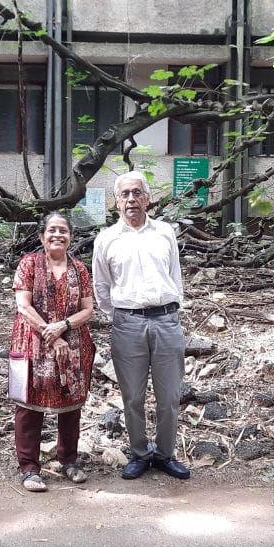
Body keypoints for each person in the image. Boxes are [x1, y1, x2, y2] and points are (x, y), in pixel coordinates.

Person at [92, 171, 190, 480]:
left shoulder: (164, 232)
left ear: (147, 198)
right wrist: (122, 316)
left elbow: (175, 275)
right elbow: (101, 287)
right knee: (132, 396)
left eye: (137, 193)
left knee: (170, 396)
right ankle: (139, 452)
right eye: (125, 194)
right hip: (128, 325)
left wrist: (173, 308)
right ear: (116, 201)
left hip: (166, 321)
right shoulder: (106, 239)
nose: (131, 199)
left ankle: (164, 454)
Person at [9, 211, 96, 492]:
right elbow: (23, 305)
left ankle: (68, 460)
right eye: (52, 230)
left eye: (64, 231)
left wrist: (64, 326)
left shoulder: (79, 269)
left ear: (71, 237)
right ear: (41, 236)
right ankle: (29, 468)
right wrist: (51, 333)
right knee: (29, 405)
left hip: (73, 345)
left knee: (70, 404)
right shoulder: (29, 264)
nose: (58, 235)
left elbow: (88, 309)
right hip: (33, 342)